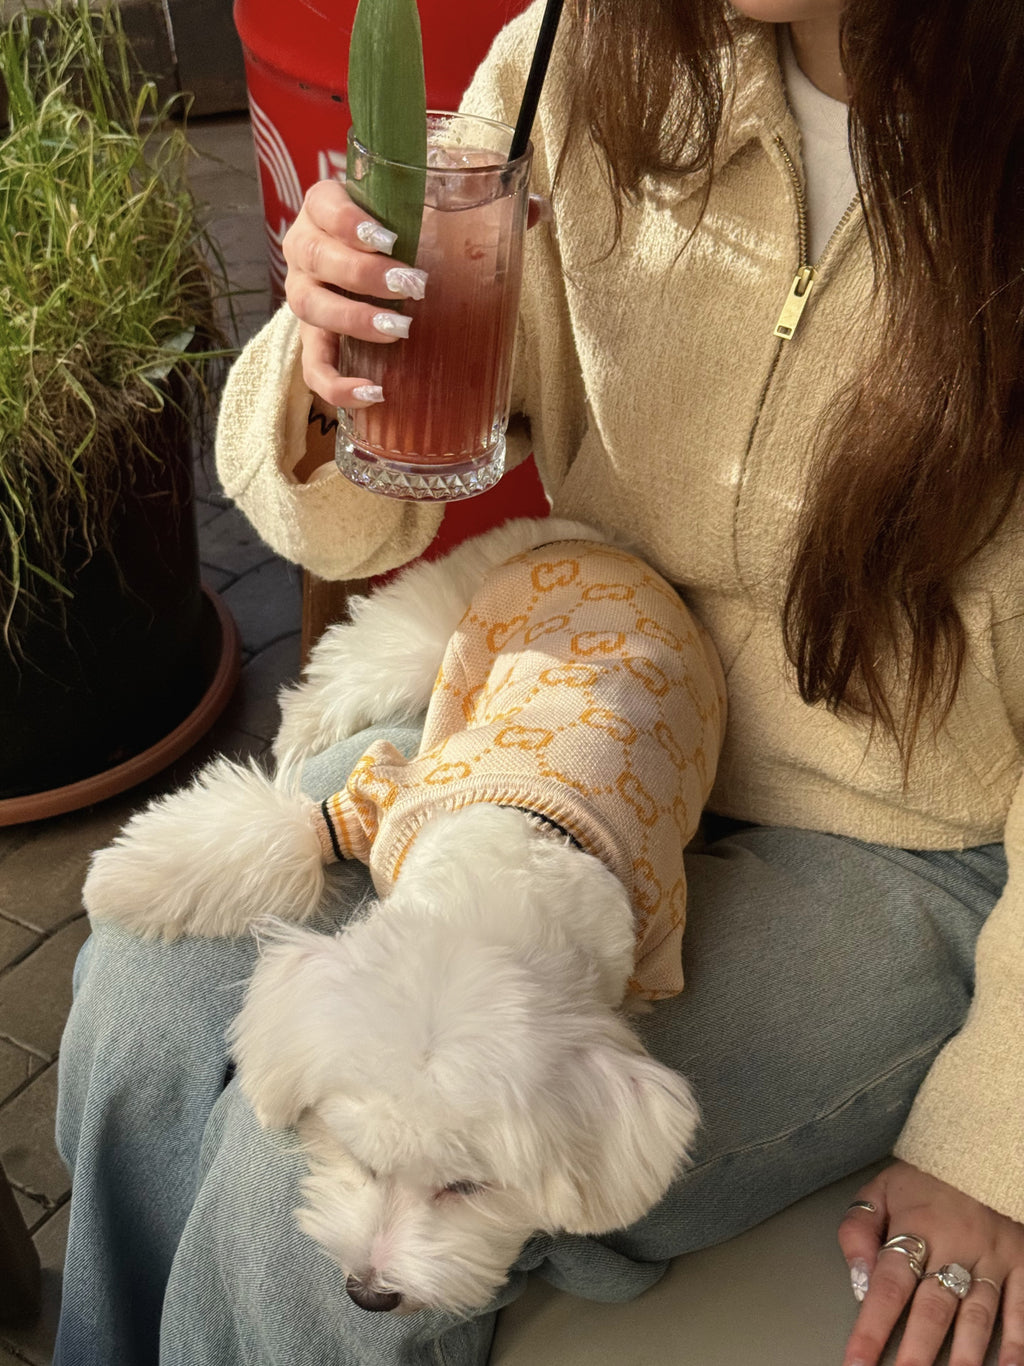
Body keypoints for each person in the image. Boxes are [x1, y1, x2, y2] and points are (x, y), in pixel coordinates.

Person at [54, 0, 1024, 1363]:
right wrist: (335, 368)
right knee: (151, 989)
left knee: (302, 1218)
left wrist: (1003, 1129)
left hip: (896, 833)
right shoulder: (589, 53)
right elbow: (344, 497)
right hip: (569, 706)